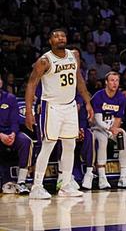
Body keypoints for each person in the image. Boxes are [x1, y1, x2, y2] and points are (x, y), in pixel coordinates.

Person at [24, 28, 93, 199]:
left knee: (70, 145)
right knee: (48, 145)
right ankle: (37, 187)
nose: (60, 38)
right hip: (52, 107)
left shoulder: (74, 55)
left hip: (70, 106)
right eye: (56, 36)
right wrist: (29, 112)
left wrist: (87, 102)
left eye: (63, 36)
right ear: (50, 41)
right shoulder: (44, 61)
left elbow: (79, 79)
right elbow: (31, 85)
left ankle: (65, 185)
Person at [90, 71, 126, 189]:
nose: (115, 83)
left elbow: (118, 118)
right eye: (112, 80)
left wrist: (114, 130)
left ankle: (123, 177)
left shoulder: (121, 97)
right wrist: (108, 129)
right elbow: (97, 119)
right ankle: (102, 177)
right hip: (97, 128)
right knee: (103, 140)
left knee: (122, 135)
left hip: (111, 128)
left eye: (117, 80)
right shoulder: (98, 96)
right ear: (106, 82)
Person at [0, 75, 33, 195]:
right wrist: (0, 135)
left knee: (26, 140)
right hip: (0, 134)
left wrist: (13, 133)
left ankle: (21, 181)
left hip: (10, 133)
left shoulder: (10, 98)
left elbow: (15, 120)